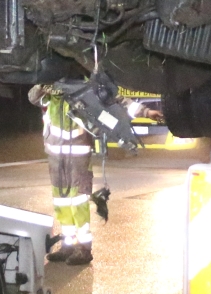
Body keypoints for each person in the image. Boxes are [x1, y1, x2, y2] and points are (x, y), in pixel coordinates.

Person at [28, 81, 158, 265]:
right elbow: (33, 97)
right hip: (55, 155)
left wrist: (146, 112)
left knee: (78, 200)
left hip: (78, 154)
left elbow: (116, 101)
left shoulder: (84, 87)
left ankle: (83, 249)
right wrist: (43, 85)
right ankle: (68, 245)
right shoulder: (52, 90)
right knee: (61, 202)